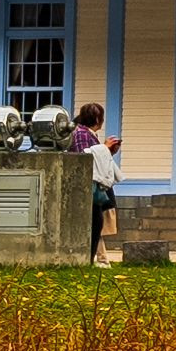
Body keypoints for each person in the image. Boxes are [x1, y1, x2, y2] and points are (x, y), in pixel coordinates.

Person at [73, 101, 122, 259]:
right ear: (97, 119)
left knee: (98, 222)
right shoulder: (81, 134)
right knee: (95, 222)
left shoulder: (88, 133)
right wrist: (105, 148)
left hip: (96, 184)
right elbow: (85, 156)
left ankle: (99, 258)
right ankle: (94, 258)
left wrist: (109, 151)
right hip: (90, 186)